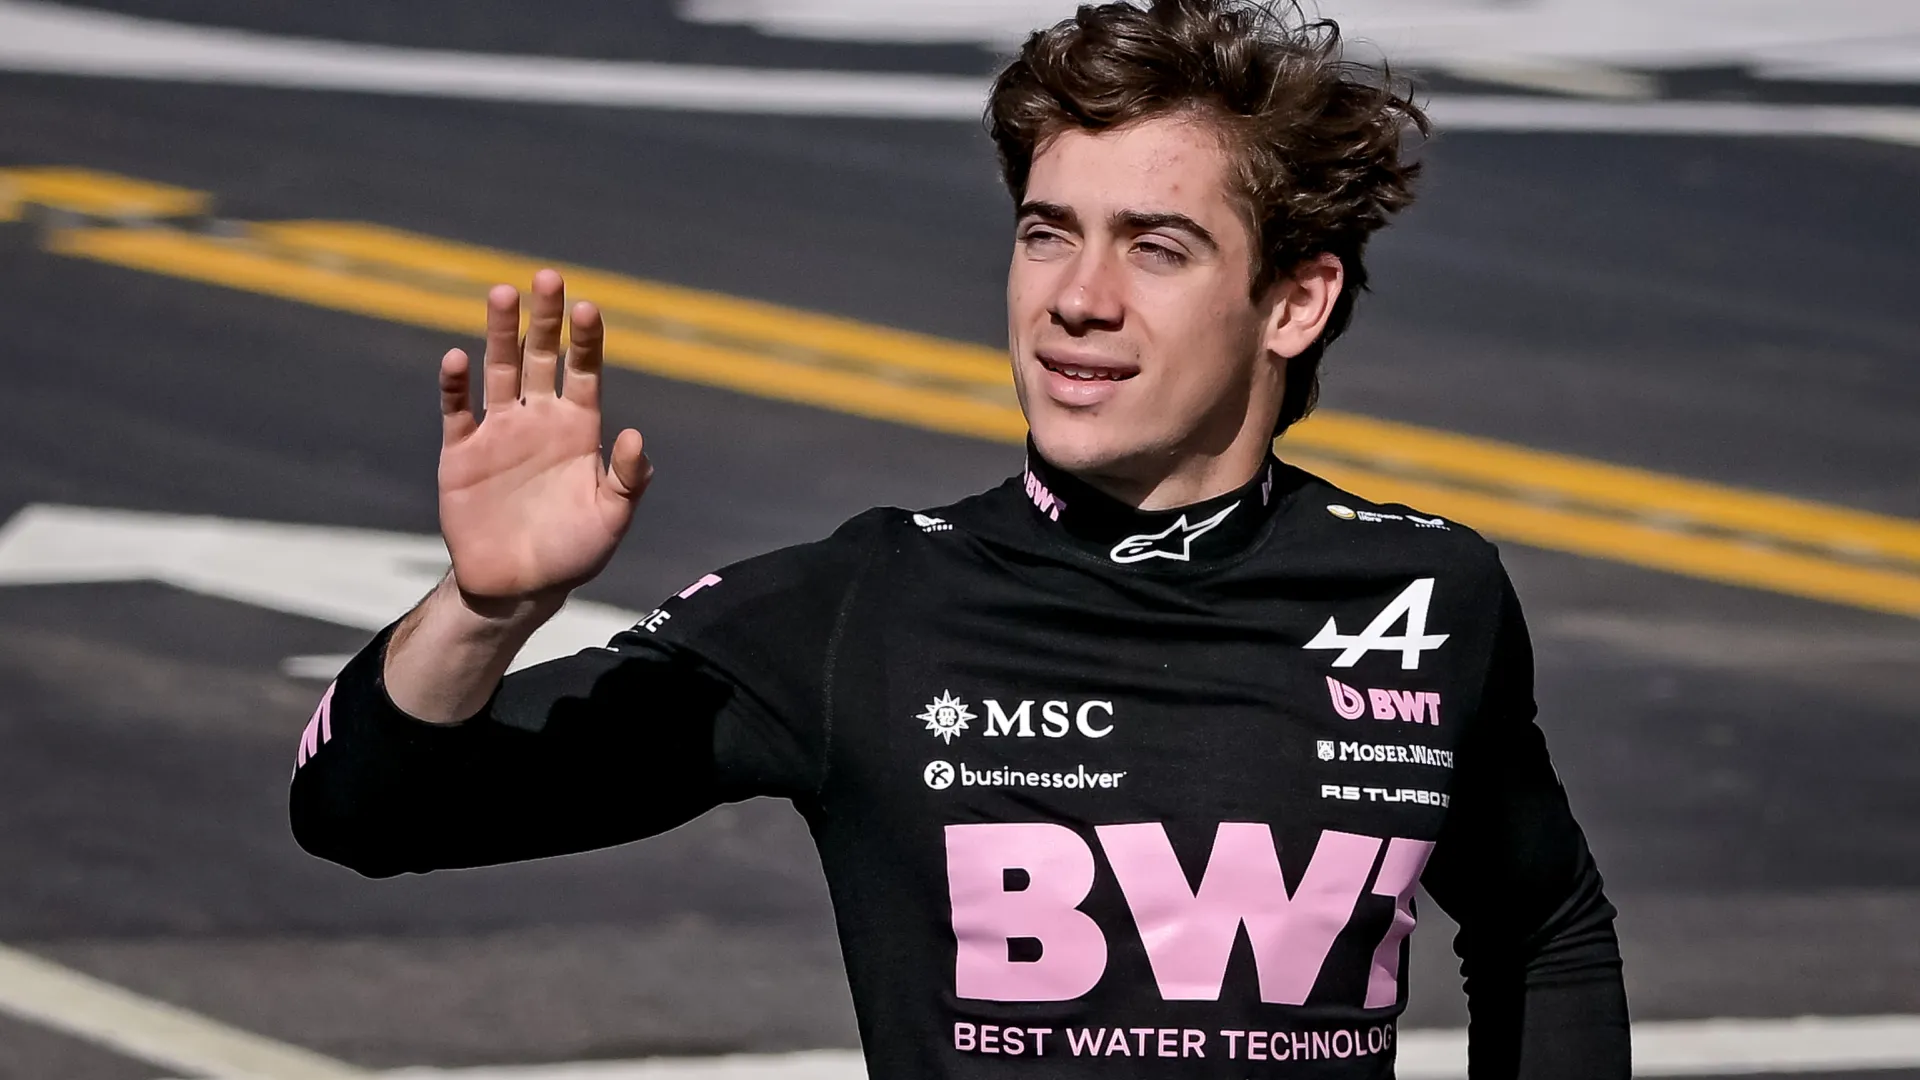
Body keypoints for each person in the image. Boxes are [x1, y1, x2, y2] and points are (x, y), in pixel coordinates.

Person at [289, 1, 1630, 1075]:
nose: (1078, 302)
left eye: (1156, 249)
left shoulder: (1425, 593)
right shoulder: (866, 607)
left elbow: (1542, 929)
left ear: (1292, 300)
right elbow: (366, 812)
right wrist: (481, 609)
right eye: (1050, 235)